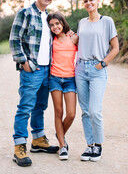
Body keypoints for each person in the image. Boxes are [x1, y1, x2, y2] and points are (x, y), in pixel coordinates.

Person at [9, 0, 59, 167]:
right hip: (32, 69)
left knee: (40, 106)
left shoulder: (49, 18)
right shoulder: (26, 13)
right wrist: (24, 62)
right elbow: (14, 40)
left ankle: (38, 140)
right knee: (25, 107)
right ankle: (19, 146)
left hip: (48, 70)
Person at [75, 0, 119, 162]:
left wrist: (102, 63)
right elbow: (77, 42)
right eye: (85, 1)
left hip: (97, 69)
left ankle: (98, 146)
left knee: (94, 110)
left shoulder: (107, 21)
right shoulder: (81, 22)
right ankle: (90, 145)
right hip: (80, 69)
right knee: (85, 111)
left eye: (91, 0)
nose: (88, 3)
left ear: (98, 1)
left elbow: (115, 48)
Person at [46, 12, 78, 160]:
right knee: (58, 111)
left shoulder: (74, 38)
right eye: (52, 25)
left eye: (57, 24)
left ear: (63, 23)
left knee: (71, 114)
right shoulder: (51, 40)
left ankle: (60, 134)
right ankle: (62, 145)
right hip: (55, 78)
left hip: (70, 79)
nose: (55, 27)